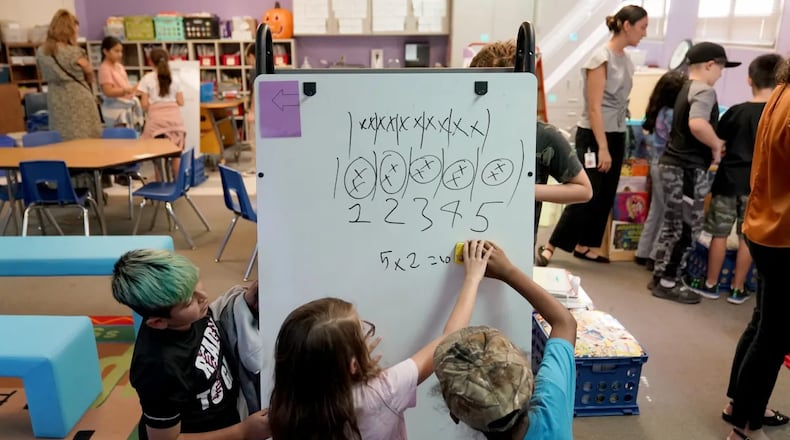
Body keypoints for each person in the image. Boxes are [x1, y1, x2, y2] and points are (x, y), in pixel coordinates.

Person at [268, 240, 492, 440]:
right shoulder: (383, 391)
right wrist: (472, 278)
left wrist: (353, 368)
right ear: (352, 365)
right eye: (362, 332)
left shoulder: (287, 408)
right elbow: (448, 340)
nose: (368, 334)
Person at [111, 249, 270, 440]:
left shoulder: (193, 314)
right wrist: (243, 432)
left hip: (225, 418)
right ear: (158, 322)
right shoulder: (157, 367)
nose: (203, 297)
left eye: (196, 282)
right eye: (188, 302)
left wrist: (244, 303)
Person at [538, 5, 648, 265]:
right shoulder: (600, 58)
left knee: (606, 193)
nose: (644, 33)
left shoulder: (627, 60)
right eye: (642, 27)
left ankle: (586, 245)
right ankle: (550, 246)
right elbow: (595, 107)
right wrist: (603, 147)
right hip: (595, 134)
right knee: (587, 189)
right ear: (626, 26)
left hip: (617, 132)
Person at [434, 242, 577, 439]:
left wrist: (472, 279)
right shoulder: (552, 410)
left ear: (455, 414)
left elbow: (449, 340)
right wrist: (508, 272)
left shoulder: (552, 406)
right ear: (533, 385)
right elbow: (565, 322)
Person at [467, 40, 593, 264]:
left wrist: (525, 190)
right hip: (463, 239)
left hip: (515, 247)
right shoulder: (460, 128)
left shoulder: (541, 135)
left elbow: (583, 190)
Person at [724, 55, 790, 440]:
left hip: (763, 227)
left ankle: (737, 403)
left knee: (762, 325)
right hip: (783, 234)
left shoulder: (780, 93)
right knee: (773, 336)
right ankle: (746, 428)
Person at [684, 54, 782, 304]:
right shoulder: (778, 115)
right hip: (758, 187)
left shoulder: (736, 112)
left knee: (718, 233)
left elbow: (720, 141)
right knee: (746, 236)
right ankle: (738, 288)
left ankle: (711, 284)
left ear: (750, 80)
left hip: (728, 181)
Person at [648, 42, 740, 304]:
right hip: (686, 169)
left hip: (673, 164)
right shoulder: (704, 91)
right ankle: (668, 282)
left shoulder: (685, 88)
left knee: (672, 225)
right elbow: (698, 124)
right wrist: (717, 145)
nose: (721, 74)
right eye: (721, 68)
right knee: (687, 228)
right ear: (711, 64)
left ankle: (659, 275)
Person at [634, 71, 687, 270]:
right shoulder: (674, 114)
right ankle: (655, 254)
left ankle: (643, 251)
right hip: (667, 165)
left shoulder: (659, 110)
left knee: (656, 210)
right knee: (666, 212)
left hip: (655, 162)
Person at [35, 9, 101, 141]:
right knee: (85, 136)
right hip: (78, 97)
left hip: (56, 97)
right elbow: (89, 74)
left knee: (61, 137)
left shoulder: (41, 51)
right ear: (69, 30)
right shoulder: (75, 52)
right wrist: (89, 74)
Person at [138, 47, 186, 178]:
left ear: (150, 62)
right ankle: (178, 186)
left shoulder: (147, 79)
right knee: (176, 156)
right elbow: (181, 101)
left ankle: (160, 187)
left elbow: (144, 104)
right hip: (175, 121)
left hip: (156, 123)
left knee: (158, 158)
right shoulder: (175, 78)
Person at [98, 36, 144, 130]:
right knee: (121, 139)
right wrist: (126, 90)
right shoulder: (104, 69)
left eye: (121, 51)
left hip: (127, 104)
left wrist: (134, 90)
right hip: (115, 109)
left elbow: (125, 84)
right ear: (105, 52)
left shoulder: (119, 66)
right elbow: (108, 91)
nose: (120, 54)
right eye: (116, 51)